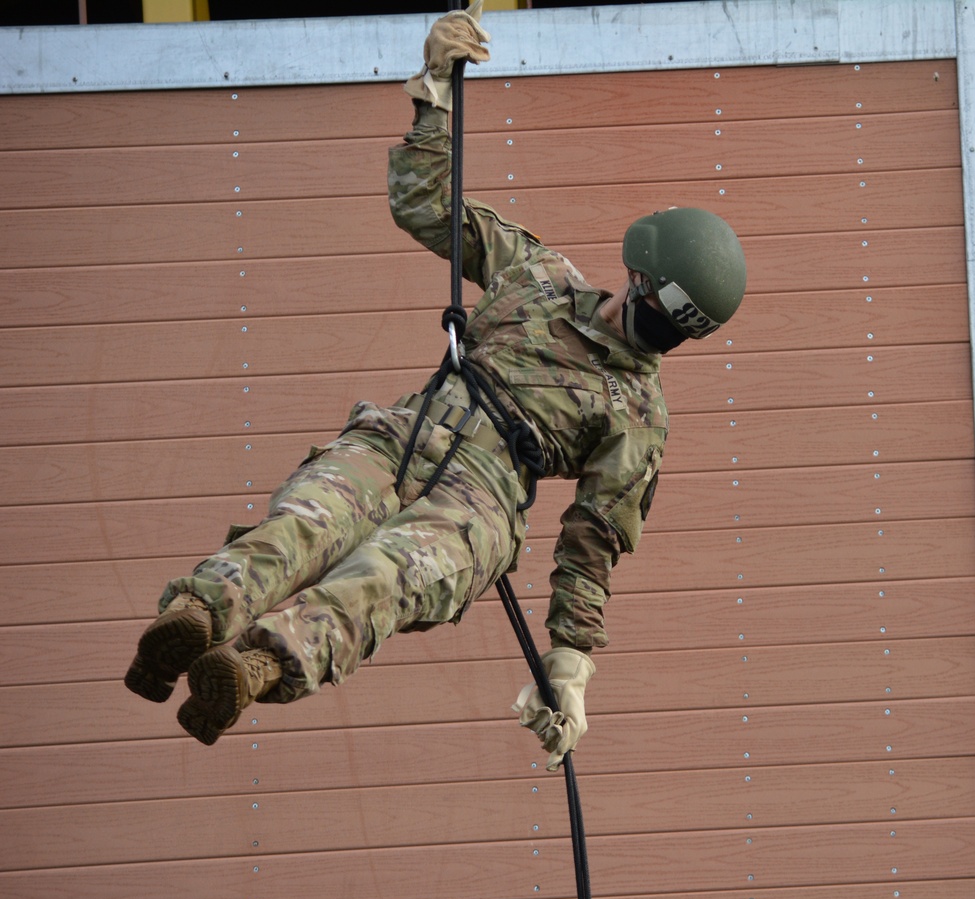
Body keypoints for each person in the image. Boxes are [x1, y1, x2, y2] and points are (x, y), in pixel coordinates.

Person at [124, 4, 747, 767]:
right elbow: (430, 206)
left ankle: (251, 665)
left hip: (479, 500)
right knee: (309, 525)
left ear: (644, 268)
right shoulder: (538, 276)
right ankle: (191, 620)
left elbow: (594, 543)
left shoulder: (638, 416)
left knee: (383, 578)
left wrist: (570, 668)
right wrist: (434, 94)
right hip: (408, 435)